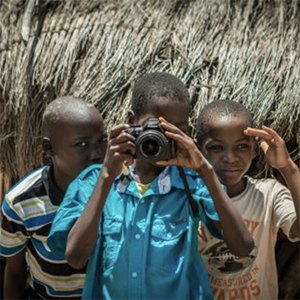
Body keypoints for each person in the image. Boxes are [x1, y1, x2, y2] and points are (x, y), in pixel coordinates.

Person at [47, 73, 254, 300]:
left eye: (177, 130)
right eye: (157, 129)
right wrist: (107, 176)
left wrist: (204, 169)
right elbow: (75, 257)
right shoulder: (94, 181)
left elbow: (243, 247)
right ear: (132, 121)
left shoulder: (192, 182)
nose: (165, 139)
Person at [0, 96, 106, 300]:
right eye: (82, 144)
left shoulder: (116, 190)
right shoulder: (22, 202)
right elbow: (14, 270)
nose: (97, 153)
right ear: (49, 149)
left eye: (101, 140)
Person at [197, 99, 300, 300]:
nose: (230, 157)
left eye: (242, 146)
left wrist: (288, 167)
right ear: (199, 149)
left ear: (254, 149)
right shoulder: (188, 199)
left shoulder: (268, 194)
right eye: (217, 148)